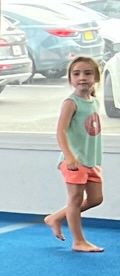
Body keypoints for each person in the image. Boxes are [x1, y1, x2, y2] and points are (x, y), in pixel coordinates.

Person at [44, 53, 104, 252]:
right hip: (74, 161)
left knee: (96, 199)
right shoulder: (71, 102)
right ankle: (78, 241)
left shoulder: (93, 101)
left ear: (96, 77)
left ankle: (56, 217)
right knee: (75, 199)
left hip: (89, 160)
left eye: (88, 73)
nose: (82, 77)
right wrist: (69, 156)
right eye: (76, 74)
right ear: (70, 79)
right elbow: (60, 130)